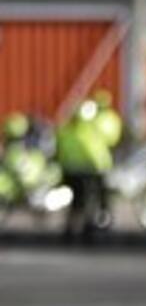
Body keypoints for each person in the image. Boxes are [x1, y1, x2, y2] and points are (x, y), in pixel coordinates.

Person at [55, 99, 114, 242]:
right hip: (90, 172)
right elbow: (97, 154)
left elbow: (59, 152)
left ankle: (72, 230)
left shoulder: (66, 132)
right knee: (90, 201)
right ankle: (88, 228)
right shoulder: (91, 132)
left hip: (71, 172)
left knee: (77, 203)